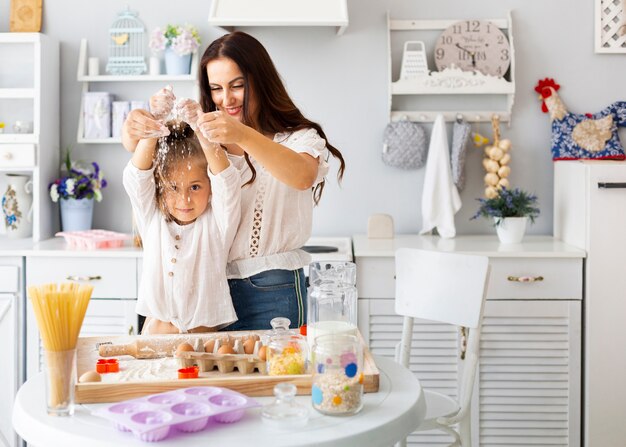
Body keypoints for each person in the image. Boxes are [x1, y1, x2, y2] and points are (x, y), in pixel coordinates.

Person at [122, 31, 345, 331]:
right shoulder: (206, 142)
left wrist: (241, 134)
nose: (226, 99)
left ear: (261, 82)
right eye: (216, 88)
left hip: (273, 290)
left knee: (274, 376)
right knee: (213, 379)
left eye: (237, 86)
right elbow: (141, 161)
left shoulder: (298, 139)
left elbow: (303, 176)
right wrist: (136, 124)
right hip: (207, 292)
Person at [122, 114, 241, 335]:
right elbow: (135, 178)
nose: (184, 200)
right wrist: (153, 129)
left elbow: (227, 181)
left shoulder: (218, 224)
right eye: (173, 188)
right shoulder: (152, 220)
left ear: (210, 187)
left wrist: (201, 129)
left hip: (203, 340)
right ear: (159, 188)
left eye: (195, 187)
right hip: (155, 335)